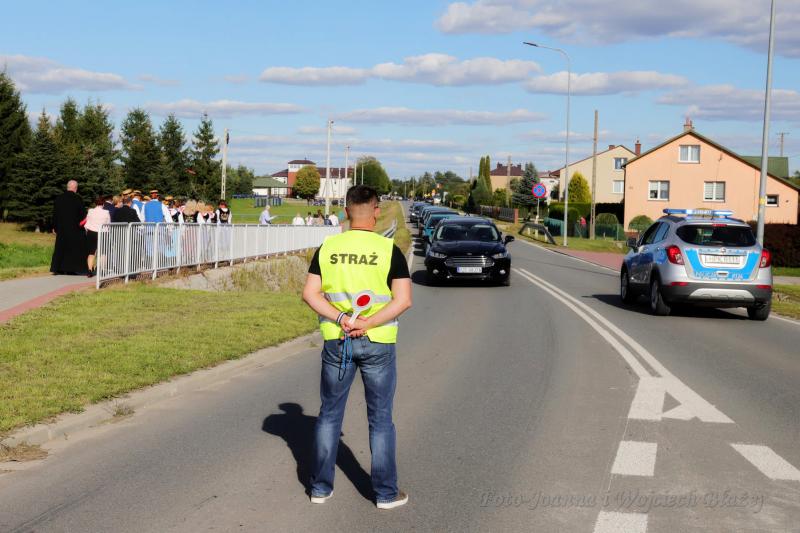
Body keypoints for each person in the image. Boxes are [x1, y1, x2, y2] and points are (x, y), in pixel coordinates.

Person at [301, 185, 412, 509]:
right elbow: (403, 300)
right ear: (376, 211)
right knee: (380, 418)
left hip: (338, 340)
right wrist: (368, 323)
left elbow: (310, 294)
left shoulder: (328, 247)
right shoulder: (388, 250)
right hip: (378, 342)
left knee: (329, 415)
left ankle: (320, 489)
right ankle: (386, 494)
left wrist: (341, 318)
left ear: (346, 211)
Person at [50, 180, 88, 275]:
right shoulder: (78, 199)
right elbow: (83, 215)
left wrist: (54, 227)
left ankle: (58, 268)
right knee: (73, 249)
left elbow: (55, 214)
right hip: (75, 229)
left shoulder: (59, 198)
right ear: (75, 188)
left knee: (60, 248)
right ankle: (72, 269)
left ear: (67, 187)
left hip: (62, 229)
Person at [84, 196, 111, 277]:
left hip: (91, 232)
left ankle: (89, 270)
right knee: (103, 252)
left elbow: (87, 222)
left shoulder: (91, 211)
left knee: (91, 252)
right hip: (103, 233)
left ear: (95, 203)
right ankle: (101, 270)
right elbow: (108, 224)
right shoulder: (106, 212)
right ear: (103, 203)